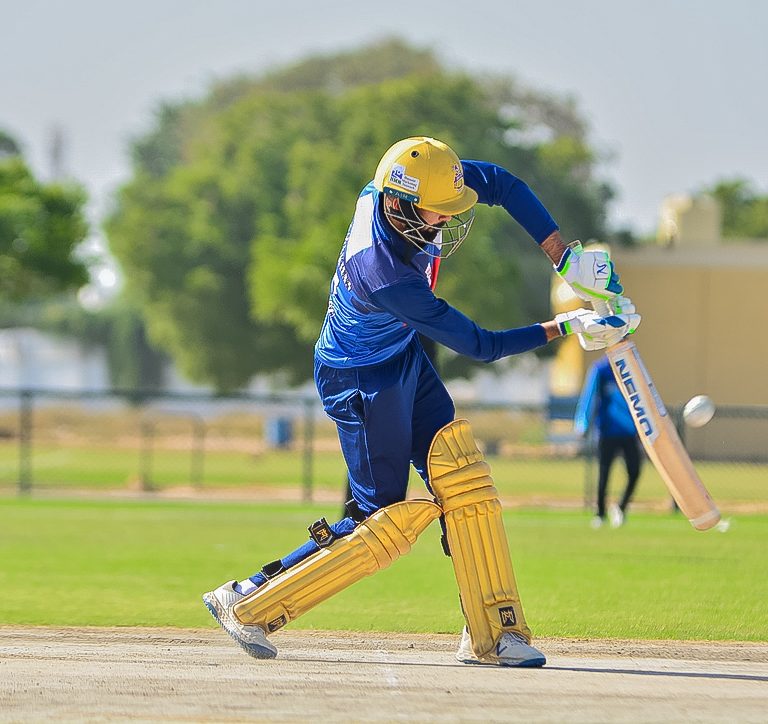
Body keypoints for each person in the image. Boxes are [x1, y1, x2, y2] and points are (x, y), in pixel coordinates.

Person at [203, 137, 640, 668]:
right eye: (440, 210)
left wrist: (564, 256)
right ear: (400, 204)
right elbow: (480, 345)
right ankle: (247, 599)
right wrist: (566, 326)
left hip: (402, 357)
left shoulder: (413, 183)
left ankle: (493, 632)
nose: (450, 217)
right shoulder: (385, 272)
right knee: (381, 520)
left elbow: (502, 184)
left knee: (464, 480)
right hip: (359, 379)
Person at [575, 356, 643, 528]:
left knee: (635, 471)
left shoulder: (631, 367)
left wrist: (642, 427)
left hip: (629, 432)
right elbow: (589, 396)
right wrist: (583, 423)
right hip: (607, 431)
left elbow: (641, 397)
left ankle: (620, 508)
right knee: (604, 474)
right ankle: (600, 514)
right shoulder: (601, 370)